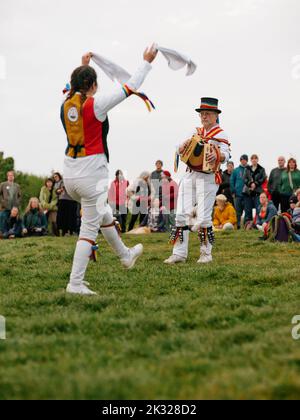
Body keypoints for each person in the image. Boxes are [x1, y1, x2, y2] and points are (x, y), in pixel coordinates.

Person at [61, 46, 158, 295]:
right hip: (91, 173)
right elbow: (131, 85)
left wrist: (83, 65)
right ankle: (75, 283)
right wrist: (146, 62)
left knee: (103, 214)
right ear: (92, 85)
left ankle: (125, 255)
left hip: (69, 174)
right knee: (88, 229)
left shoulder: (65, 101)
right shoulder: (97, 104)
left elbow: (72, 86)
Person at [164, 97, 230, 264]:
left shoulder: (221, 133)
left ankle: (206, 254)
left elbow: (226, 154)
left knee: (204, 218)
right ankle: (179, 254)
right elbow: (179, 147)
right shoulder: (195, 132)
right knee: (180, 215)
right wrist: (180, 148)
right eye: (202, 113)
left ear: (216, 115)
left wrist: (217, 155)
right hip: (190, 175)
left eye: (207, 113)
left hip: (208, 178)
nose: (204, 116)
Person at [243, 154, 267, 225]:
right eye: (252, 158)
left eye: (255, 158)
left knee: (258, 208)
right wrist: (250, 183)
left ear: (257, 160)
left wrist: (255, 184)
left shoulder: (261, 169)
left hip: (258, 191)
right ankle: (247, 224)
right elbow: (244, 178)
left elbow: (263, 178)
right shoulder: (247, 168)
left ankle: (257, 224)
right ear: (251, 160)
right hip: (248, 191)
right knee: (247, 209)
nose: (254, 160)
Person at [54, 172, 78, 236]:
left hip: (73, 200)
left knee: (72, 216)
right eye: (54, 177)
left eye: (56, 176)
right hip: (63, 200)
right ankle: (64, 231)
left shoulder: (75, 180)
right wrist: (59, 190)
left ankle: (72, 231)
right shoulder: (59, 182)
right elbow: (56, 191)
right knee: (63, 217)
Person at [230, 155, 249, 229]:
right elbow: (232, 181)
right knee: (238, 212)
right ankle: (237, 225)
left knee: (247, 211)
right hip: (237, 194)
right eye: (242, 160)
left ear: (247, 161)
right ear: (240, 161)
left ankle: (246, 226)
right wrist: (233, 191)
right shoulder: (236, 170)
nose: (243, 161)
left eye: (244, 160)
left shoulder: (249, 169)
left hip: (247, 194)